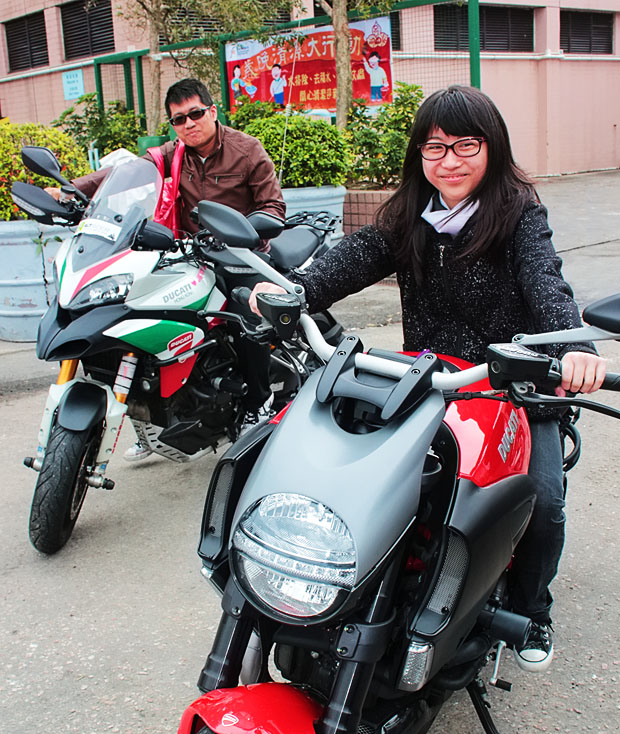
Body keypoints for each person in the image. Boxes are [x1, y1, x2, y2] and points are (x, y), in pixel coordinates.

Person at [251, 84, 607, 672]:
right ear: (419, 155)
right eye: (434, 148)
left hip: (512, 386)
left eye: (466, 145)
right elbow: (356, 255)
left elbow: (548, 285)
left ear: (492, 148)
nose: (450, 161)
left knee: (540, 506)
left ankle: (530, 609)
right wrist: (298, 292)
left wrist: (571, 348)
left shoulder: (520, 214)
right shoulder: (410, 215)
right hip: (430, 386)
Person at [49, 78, 285, 459]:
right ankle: (152, 420)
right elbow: (123, 174)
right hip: (187, 252)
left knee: (248, 319)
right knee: (139, 318)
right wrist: (70, 191)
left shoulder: (246, 150)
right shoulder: (171, 155)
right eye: (179, 119)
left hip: (241, 255)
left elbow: (272, 208)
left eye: (195, 114)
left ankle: (260, 403)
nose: (189, 124)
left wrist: (244, 232)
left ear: (212, 111)